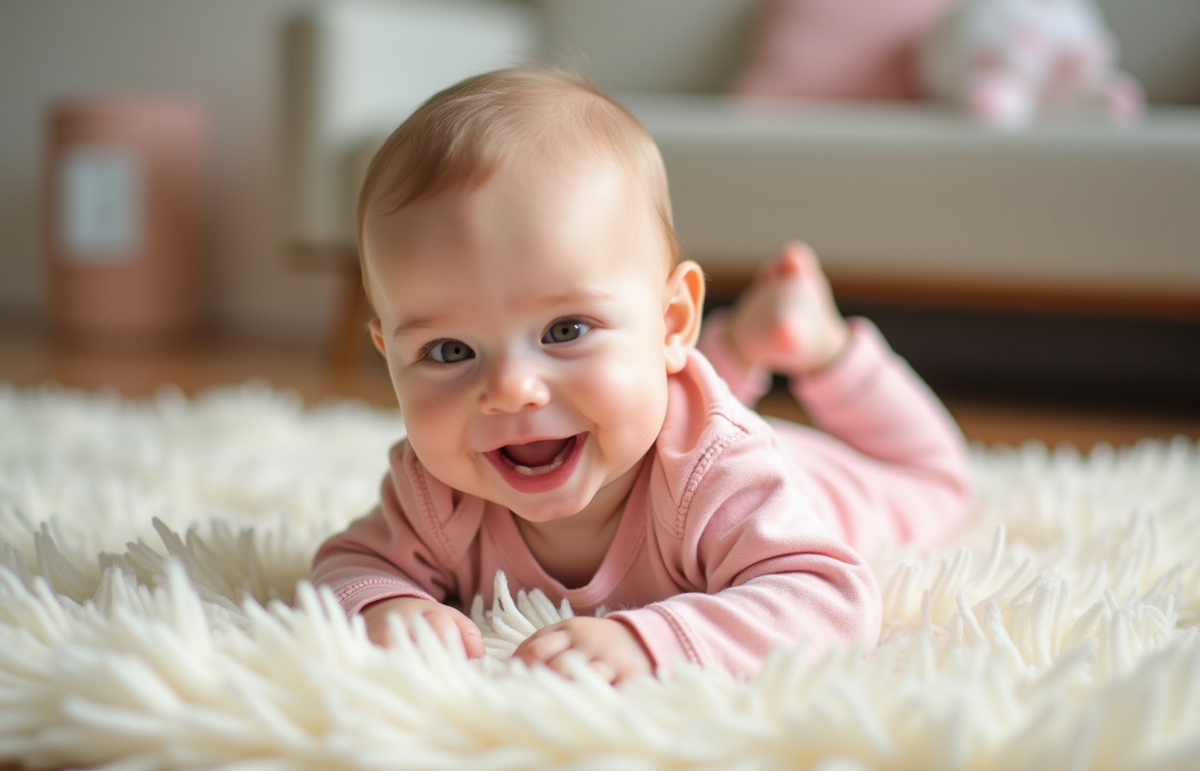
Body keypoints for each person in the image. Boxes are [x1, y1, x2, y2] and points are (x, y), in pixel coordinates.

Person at [311, 66, 973, 684]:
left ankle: (815, 342)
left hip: (843, 476)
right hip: (653, 406)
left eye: (564, 331)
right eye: (451, 351)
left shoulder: (724, 472)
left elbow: (831, 601)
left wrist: (651, 643)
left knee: (939, 480)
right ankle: (731, 351)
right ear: (388, 354)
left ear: (672, 319)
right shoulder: (438, 491)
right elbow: (349, 565)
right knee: (629, 397)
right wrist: (381, 606)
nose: (511, 389)